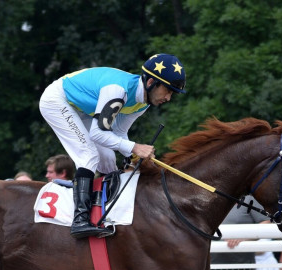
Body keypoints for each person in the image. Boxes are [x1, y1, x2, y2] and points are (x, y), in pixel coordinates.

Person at [39, 53, 186, 238]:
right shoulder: (118, 91)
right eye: (168, 90)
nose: (169, 97)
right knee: (89, 155)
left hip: (83, 108)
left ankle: (102, 212)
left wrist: (131, 156)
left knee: (108, 160)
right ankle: (80, 220)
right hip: (57, 100)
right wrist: (135, 148)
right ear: (151, 83)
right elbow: (98, 133)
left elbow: (117, 133)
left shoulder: (142, 103)